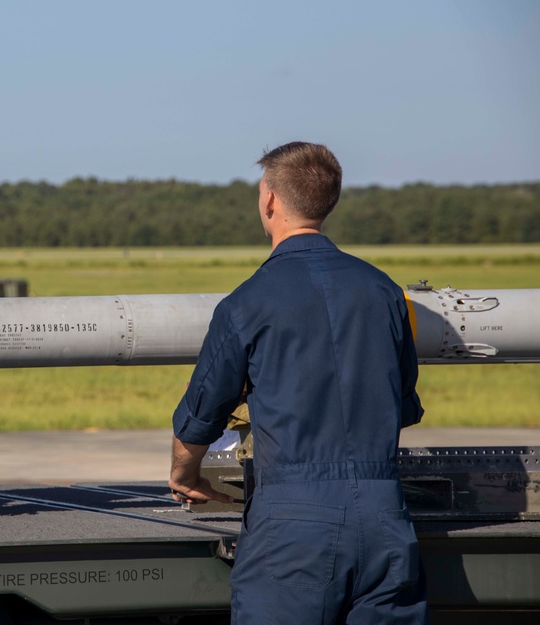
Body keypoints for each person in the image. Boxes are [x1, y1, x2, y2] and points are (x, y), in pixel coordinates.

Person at [169, 142, 428, 623]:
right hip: (386, 518)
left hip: (293, 526)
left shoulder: (246, 303)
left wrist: (184, 476)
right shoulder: (385, 292)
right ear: (329, 201)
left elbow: (203, 412)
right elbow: (404, 405)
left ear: (270, 201)